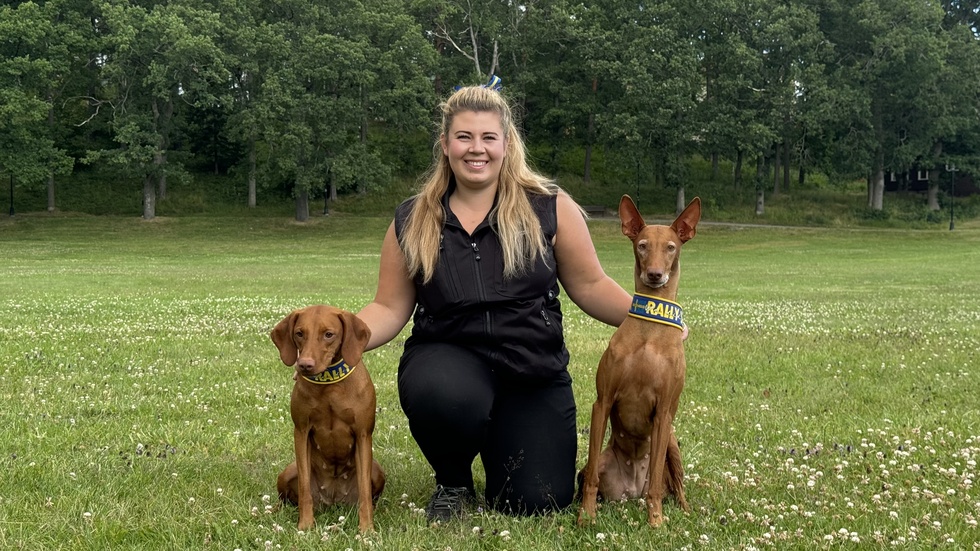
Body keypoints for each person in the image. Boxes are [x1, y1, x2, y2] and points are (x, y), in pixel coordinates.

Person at [356, 78, 646, 521]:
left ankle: (501, 441)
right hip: (448, 358)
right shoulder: (413, 218)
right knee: (446, 394)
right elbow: (390, 307)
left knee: (538, 501)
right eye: (464, 137)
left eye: (489, 137)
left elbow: (590, 285)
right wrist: (343, 338)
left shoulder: (549, 207)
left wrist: (652, 317)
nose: (477, 148)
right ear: (445, 144)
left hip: (532, 371)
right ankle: (453, 481)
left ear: (506, 144)